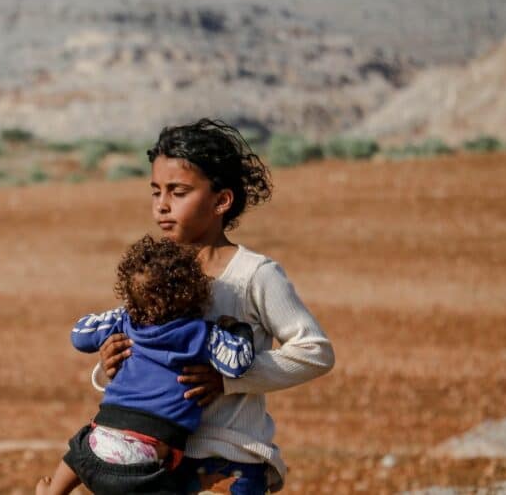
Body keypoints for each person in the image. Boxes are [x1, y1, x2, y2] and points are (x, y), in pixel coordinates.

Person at [95, 119, 335, 494]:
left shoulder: (255, 274)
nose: (162, 206)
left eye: (178, 192)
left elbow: (315, 352)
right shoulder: (153, 274)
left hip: (230, 462)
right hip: (155, 459)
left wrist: (227, 378)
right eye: (155, 191)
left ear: (221, 200)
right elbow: (144, 348)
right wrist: (109, 363)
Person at [36, 235, 256, 495]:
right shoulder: (199, 333)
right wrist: (238, 328)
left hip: (95, 444)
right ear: (194, 291)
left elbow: (80, 335)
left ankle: (54, 491)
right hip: (142, 466)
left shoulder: (126, 321)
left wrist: (121, 314)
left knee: (78, 451)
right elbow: (237, 362)